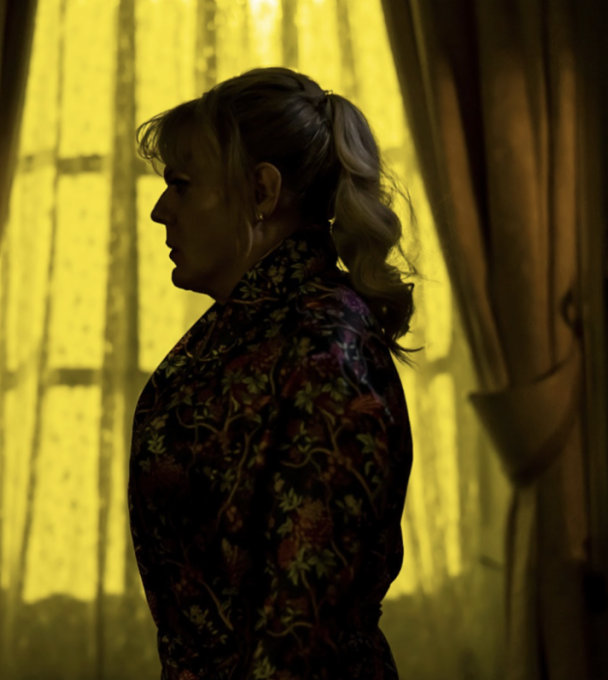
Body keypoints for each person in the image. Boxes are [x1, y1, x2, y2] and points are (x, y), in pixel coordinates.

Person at [128, 66, 420, 680]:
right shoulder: (252, 327)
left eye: (181, 185)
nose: (159, 211)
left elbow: (299, 634)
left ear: (262, 192)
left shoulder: (324, 352)